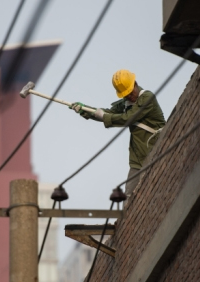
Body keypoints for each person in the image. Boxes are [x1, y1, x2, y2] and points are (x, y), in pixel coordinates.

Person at [71, 69, 166, 197]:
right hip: (138, 159)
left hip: (158, 150)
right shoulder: (126, 102)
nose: (129, 97)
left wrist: (104, 116)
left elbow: (128, 118)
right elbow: (108, 113)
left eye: (130, 93)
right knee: (129, 198)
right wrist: (85, 110)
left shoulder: (147, 98)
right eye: (125, 95)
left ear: (135, 84)